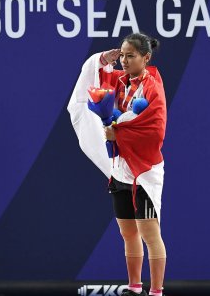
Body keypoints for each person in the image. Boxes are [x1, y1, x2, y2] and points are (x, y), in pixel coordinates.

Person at [68, 33, 168, 296]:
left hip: (144, 171)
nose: (124, 60)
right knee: (128, 233)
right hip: (120, 168)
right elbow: (94, 82)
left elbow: (155, 131)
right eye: (122, 55)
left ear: (146, 58)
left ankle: (156, 291)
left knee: (149, 233)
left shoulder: (152, 87)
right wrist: (102, 59)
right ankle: (135, 287)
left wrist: (117, 133)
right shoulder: (121, 81)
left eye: (130, 56)